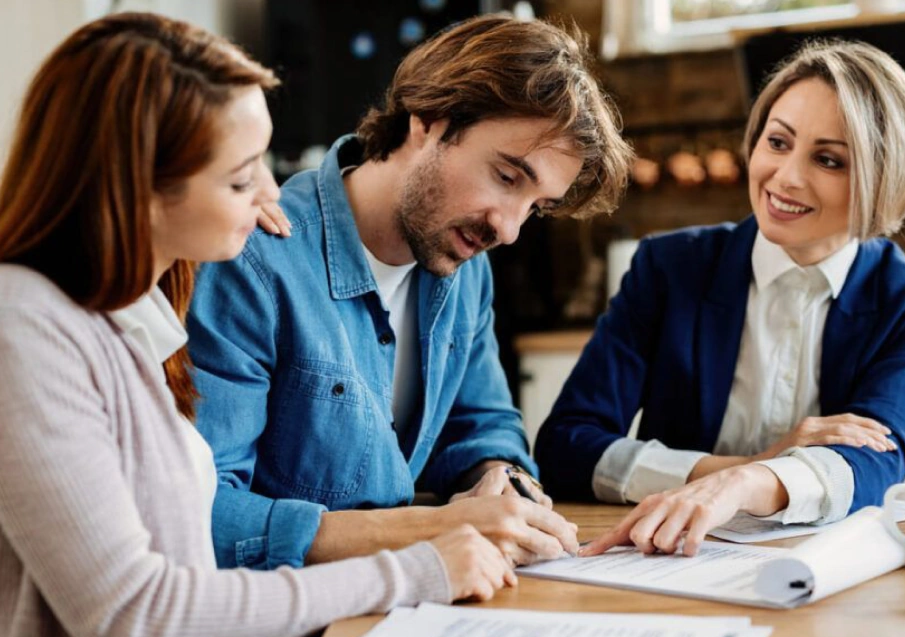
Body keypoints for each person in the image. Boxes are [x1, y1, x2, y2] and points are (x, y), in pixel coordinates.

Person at [0, 13, 515, 637]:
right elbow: (134, 616)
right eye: (243, 176)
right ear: (139, 185)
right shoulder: (23, 327)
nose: (273, 195)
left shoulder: (126, 315)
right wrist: (416, 567)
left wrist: (225, 215)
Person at [187, 15, 632, 573]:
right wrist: (431, 528)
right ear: (429, 122)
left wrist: (501, 477)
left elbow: (482, 424)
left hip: (409, 605)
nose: (510, 229)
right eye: (507, 177)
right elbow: (203, 517)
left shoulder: (464, 265)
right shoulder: (253, 260)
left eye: (535, 207)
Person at [535, 40, 905, 559]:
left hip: (819, 573)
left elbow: (874, 468)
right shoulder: (669, 268)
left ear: (883, 181)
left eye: (828, 159)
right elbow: (566, 447)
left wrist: (746, 485)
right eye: (777, 142)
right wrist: (739, 469)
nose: (786, 177)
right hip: (666, 557)